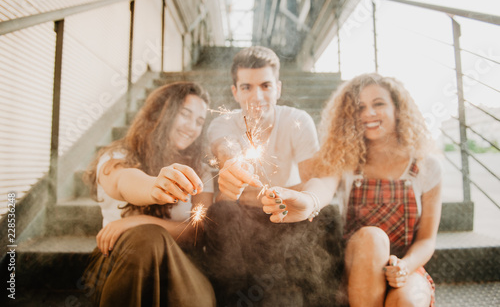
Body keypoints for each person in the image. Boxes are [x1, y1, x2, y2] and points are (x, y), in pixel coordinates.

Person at [203, 46, 344, 306]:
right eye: (247, 87)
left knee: (327, 214)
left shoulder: (297, 121)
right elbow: (226, 150)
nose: (257, 96)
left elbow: (313, 181)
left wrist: (284, 196)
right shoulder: (222, 124)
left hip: (285, 215)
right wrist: (233, 165)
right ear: (235, 92)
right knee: (222, 213)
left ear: (278, 88)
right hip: (243, 222)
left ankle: (324, 299)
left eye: (266, 85)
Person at [302, 73, 442, 307]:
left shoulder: (427, 166)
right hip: (358, 265)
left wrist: (404, 267)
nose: (369, 114)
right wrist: (305, 200)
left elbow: (427, 239)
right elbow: (322, 187)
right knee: (373, 237)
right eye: (359, 108)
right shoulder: (343, 160)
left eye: (378, 104)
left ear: (397, 109)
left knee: (407, 301)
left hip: (406, 265)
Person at [82, 82, 216, 307]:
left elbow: (197, 232)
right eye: (185, 114)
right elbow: (124, 181)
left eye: (199, 121)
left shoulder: (200, 171)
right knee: (145, 240)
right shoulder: (116, 158)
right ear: (160, 112)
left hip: (182, 270)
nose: (192, 127)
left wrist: (139, 221)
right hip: (123, 265)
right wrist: (155, 187)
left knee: (149, 233)